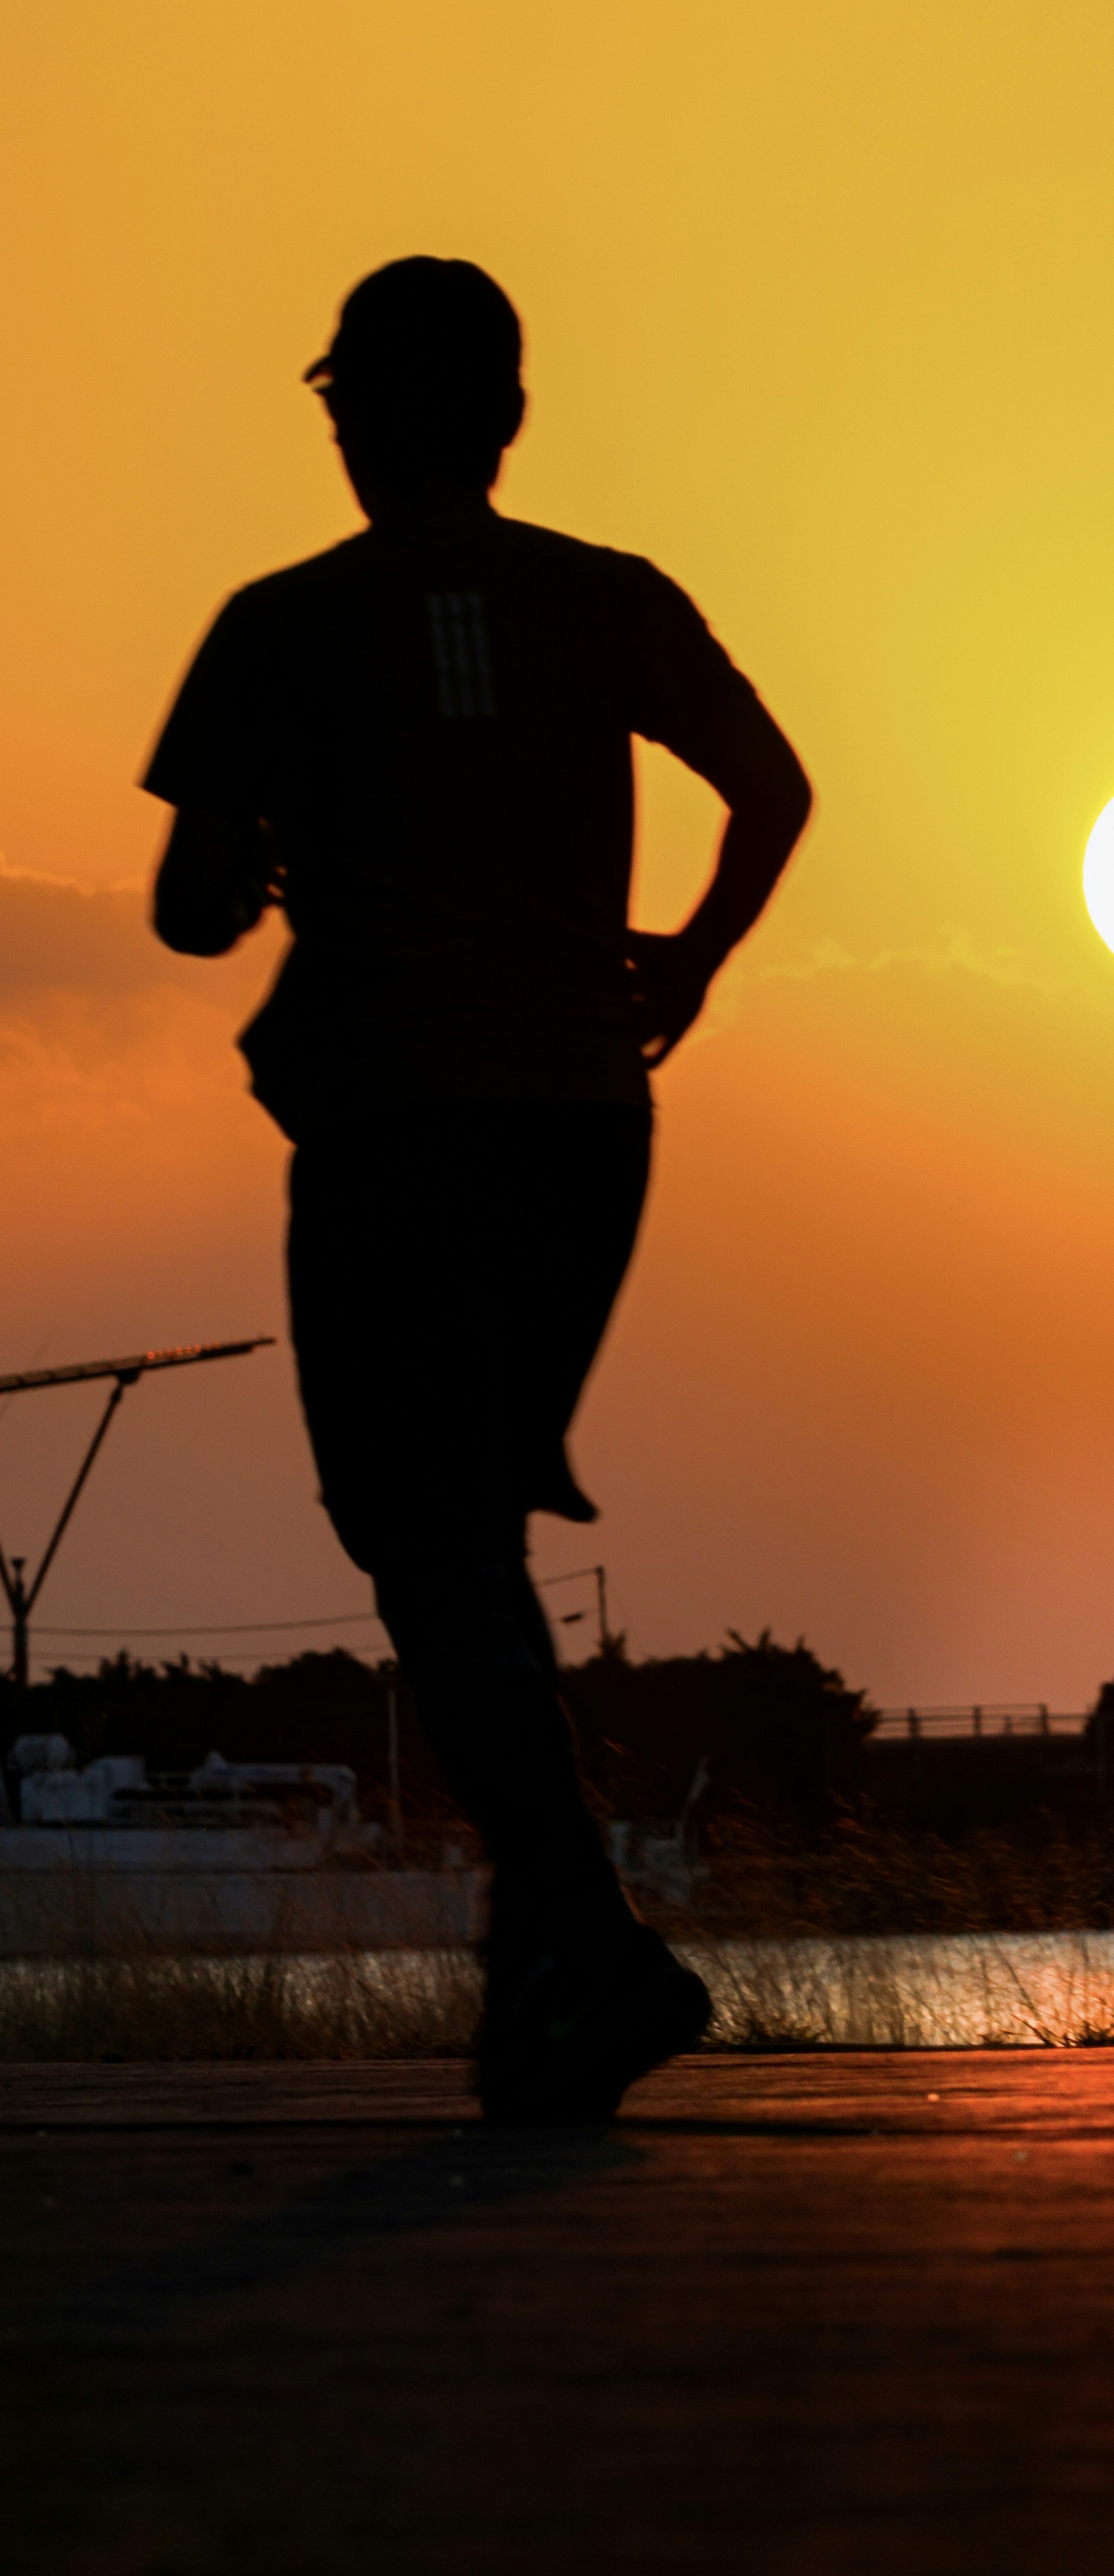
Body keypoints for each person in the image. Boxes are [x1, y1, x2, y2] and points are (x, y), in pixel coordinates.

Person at [145, 257, 812, 2119]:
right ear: (510, 416)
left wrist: (280, 837)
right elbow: (772, 785)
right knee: (472, 1536)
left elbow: (193, 911)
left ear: (355, 411)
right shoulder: (607, 601)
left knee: (421, 1531)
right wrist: (684, 959)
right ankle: (548, 1965)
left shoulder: (284, 627)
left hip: (394, 1124)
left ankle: (584, 1933)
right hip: (590, 1125)